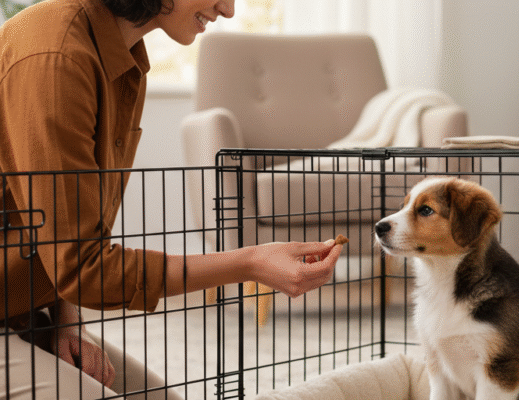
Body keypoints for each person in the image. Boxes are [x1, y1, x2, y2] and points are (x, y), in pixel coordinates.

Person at [0, 0, 343, 397]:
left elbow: (64, 242)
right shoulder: (56, 57)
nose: (228, 10)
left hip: (25, 308)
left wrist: (66, 319)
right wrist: (251, 262)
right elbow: (83, 268)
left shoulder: (125, 61)